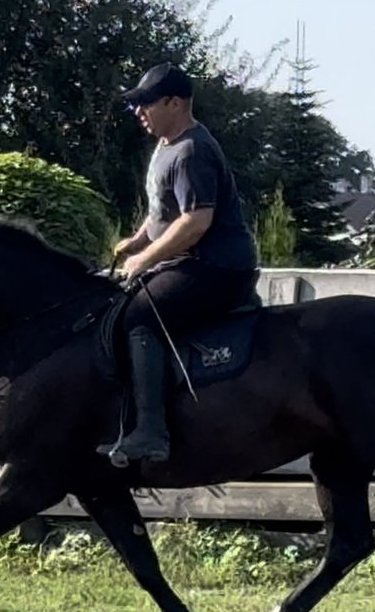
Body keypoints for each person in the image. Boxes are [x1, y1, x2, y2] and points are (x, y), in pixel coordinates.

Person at [99, 62, 260, 465]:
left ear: (173, 102)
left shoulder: (192, 149)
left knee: (138, 317)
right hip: (189, 261)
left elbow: (196, 221)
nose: (139, 113)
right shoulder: (166, 146)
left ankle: (152, 433)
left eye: (146, 104)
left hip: (217, 267)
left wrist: (145, 258)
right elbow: (164, 212)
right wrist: (136, 240)